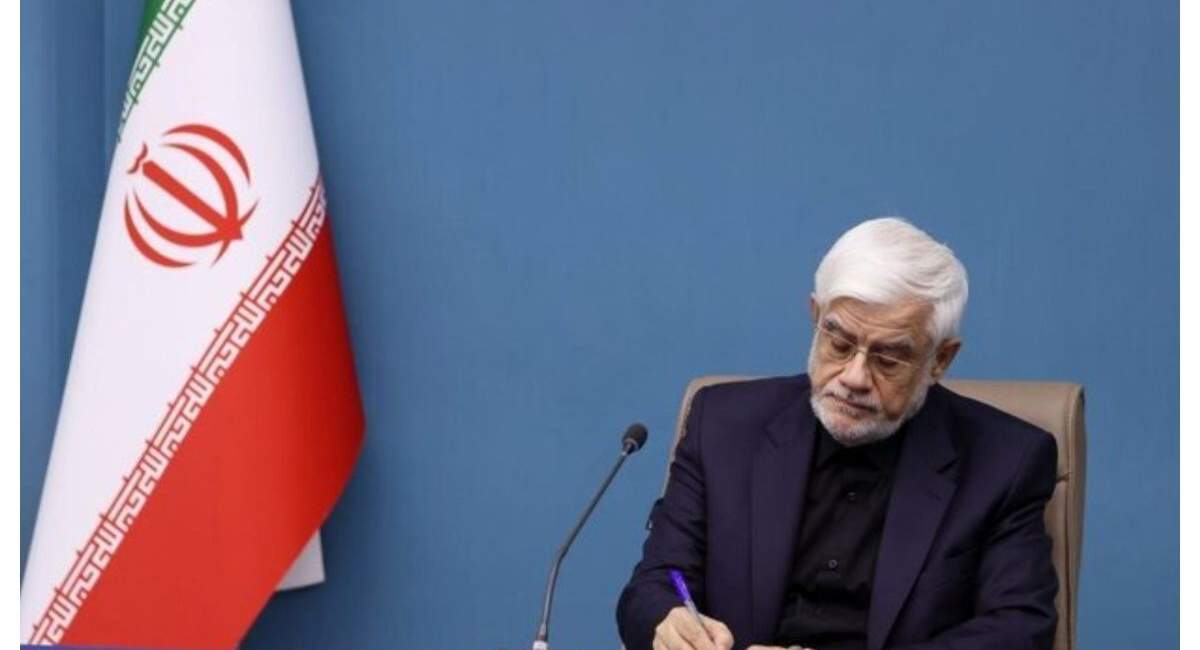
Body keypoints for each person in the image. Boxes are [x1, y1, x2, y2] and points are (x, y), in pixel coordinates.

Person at [616, 218, 1059, 650]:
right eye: (840, 343)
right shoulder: (723, 425)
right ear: (817, 316)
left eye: (888, 359)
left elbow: (1018, 629)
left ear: (940, 360)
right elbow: (655, 584)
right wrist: (667, 620)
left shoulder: (1007, 462)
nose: (854, 377)